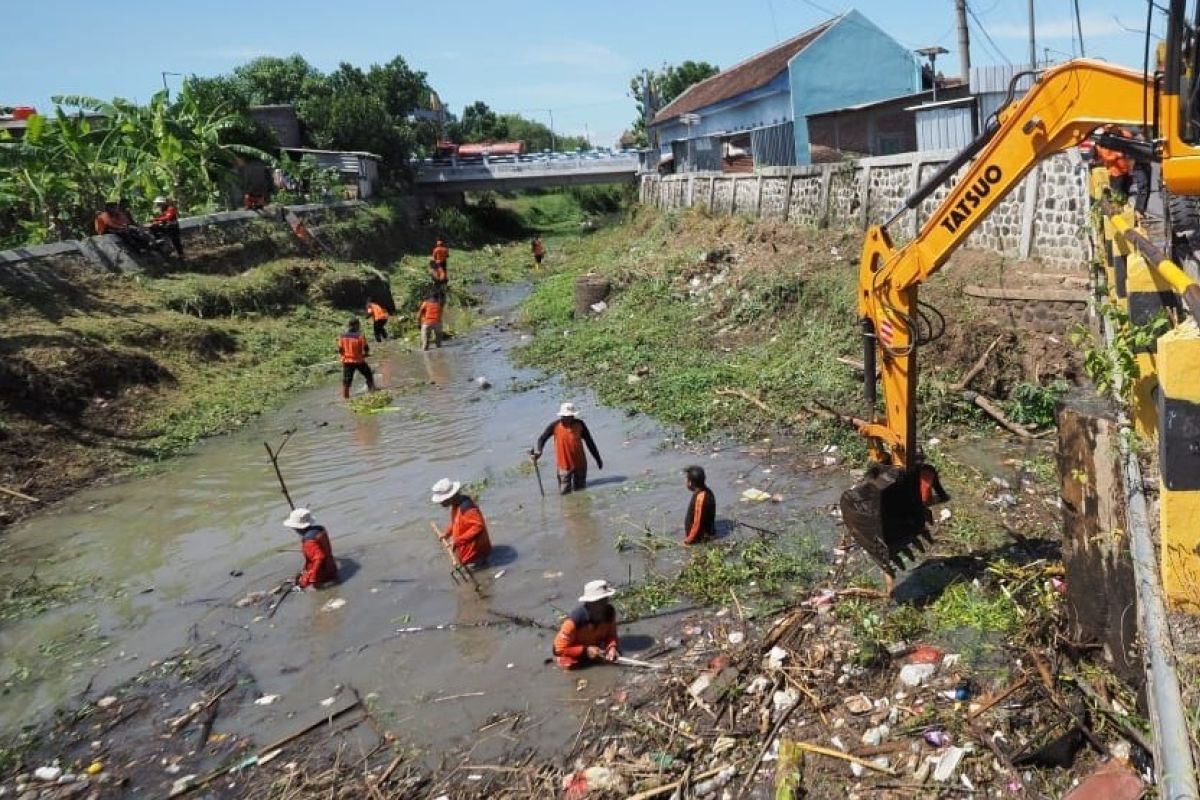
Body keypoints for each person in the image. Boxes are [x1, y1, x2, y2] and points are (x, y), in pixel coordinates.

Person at [532, 402, 603, 495]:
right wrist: (539, 451)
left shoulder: (580, 424)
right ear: (561, 416)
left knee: (581, 491)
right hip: (563, 465)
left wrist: (598, 459)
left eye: (571, 416)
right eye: (566, 416)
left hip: (580, 463)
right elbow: (542, 438)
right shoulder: (555, 426)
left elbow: (590, 442)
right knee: (564, 492)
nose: (569, 418)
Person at [553, 579, 620, 670]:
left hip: (596, 648)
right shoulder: (574, 621)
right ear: (590, 603)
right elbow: (558, 649)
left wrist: (612, 647)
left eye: (605, 599)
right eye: (600, 601)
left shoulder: (609, 613)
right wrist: (585, 650)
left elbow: (611, 635)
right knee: (570, 666)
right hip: (574, 652)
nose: (604, 604)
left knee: (615, 658)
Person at [430, 478, 492, 568]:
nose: (441, 503)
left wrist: (457, 541)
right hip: (467, 551)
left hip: (475, 553)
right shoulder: (456, 505)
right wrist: (447, 534)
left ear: (450, 497)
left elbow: (478, 526)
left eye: (442, 501)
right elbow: (455, 522)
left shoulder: (467, 507)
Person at [283, 507, 339, 589]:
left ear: (297, 527)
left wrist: (312, 578)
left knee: (298, 587)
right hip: (331, 568)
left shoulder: (309, 541)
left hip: (321, 576)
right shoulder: (320, 529)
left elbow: (319, 557)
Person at [337, 317, 376, 399]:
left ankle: (345, 398)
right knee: (368, 374)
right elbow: (366, 348)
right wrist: (366, 354)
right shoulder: (360, 336)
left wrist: (343, 356)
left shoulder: (342, 336)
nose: (359, 327)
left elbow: (340, 349)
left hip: (347, 361)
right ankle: (372, 391)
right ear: (356, 325)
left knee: (347, 381)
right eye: (358, 325)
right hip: (358, 361)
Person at [1094, 124, 1134, 196]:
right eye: (1108, 128)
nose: (1110, 129)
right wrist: (1117, 155)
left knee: (1126, 194)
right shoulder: (1105, 140)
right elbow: (1106, 157)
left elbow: (1131, 141)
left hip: (1126, 170)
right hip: (1115, 173)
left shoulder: (1124, 134)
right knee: (1117, 195)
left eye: (1112, 127)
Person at [682, 465, 716, 546]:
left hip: (699, 540)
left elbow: (697, 523)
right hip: (702, 535)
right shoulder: (706, 491)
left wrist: (688, 541)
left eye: (686, 479)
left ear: (690, 482)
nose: (685, 481)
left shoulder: (701, 498)